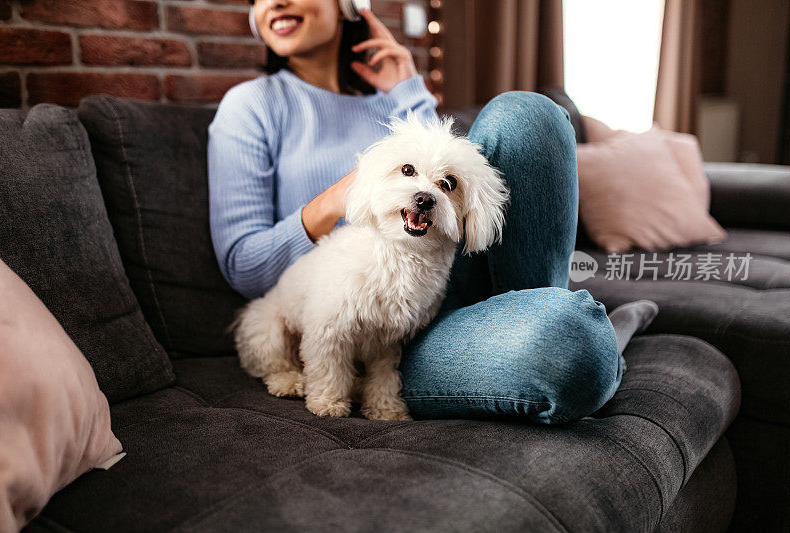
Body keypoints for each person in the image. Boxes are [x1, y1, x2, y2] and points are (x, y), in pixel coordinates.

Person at [208, 0, 657, 424]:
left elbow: (447, 174)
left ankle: (546, 314)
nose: (276, 2)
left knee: (526, 113)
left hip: (436, 282)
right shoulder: (252, 105)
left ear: (347, 4)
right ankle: (574, 331)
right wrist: (341, 196)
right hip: (380, 317)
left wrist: (408, 91)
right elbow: (243, 267)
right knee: (575, 352)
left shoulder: (397, 100)